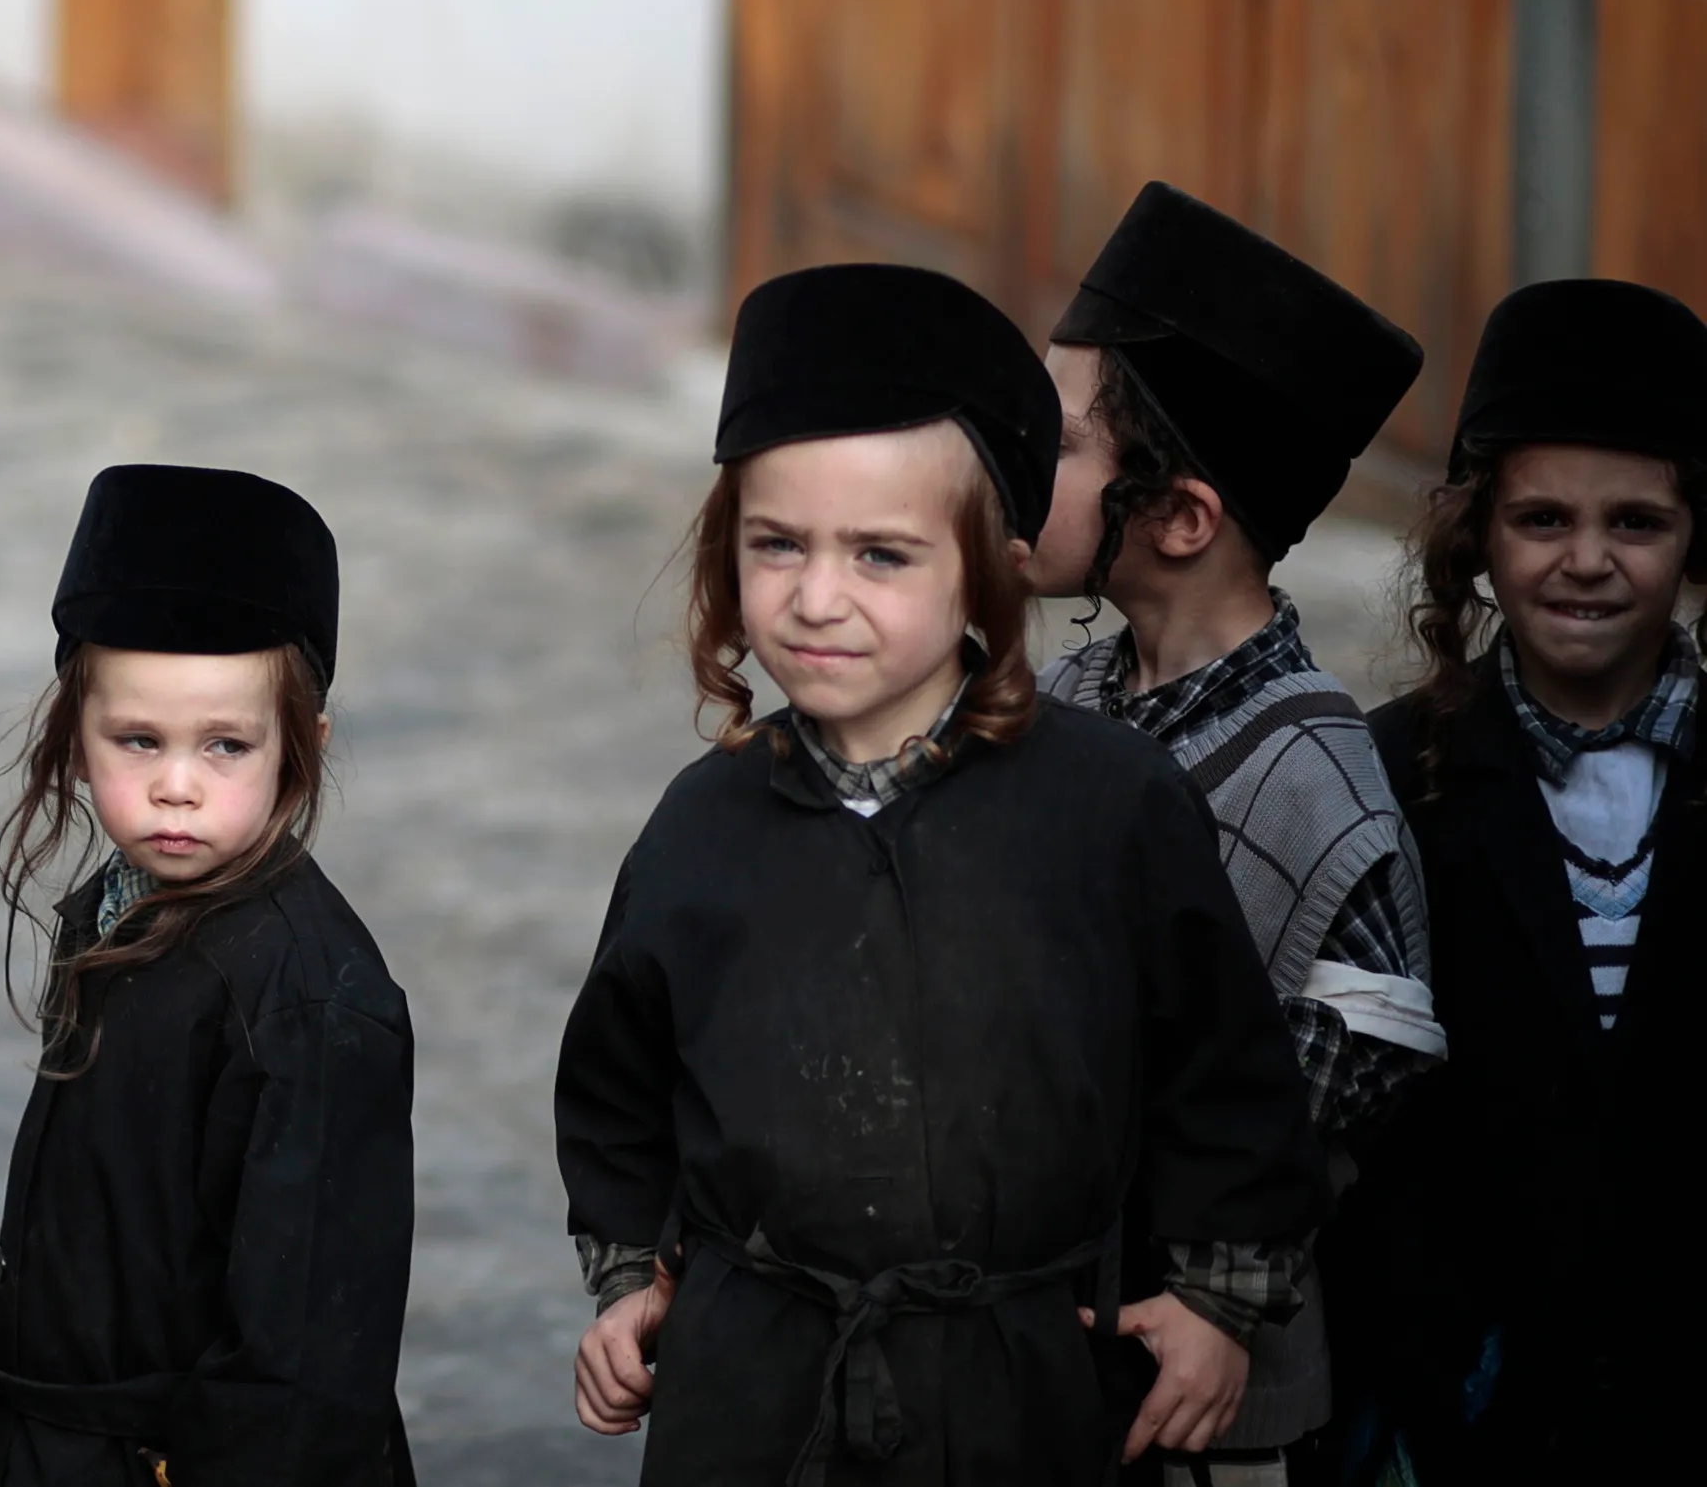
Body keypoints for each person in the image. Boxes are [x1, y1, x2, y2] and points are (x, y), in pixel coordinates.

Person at [556, 263, 1329, 1483]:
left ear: (988, 563)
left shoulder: (1109, 807)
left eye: (880, 555)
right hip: (752, 1395)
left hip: (1022, 1389)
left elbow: (1223, 1078)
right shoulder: (698, 828)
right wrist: (625, 1283)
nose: (817, 598)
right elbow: (615, 1092)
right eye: (777, 545)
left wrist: (1218, 1300)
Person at [1025, 181, 1442, 1478]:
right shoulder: (1065, 697)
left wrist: (1214, 1290)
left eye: (1055, 444)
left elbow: (1326, 1104)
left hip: (1206, 1396)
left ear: (1184, 517)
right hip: (1042, 1343)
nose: (1002, 462)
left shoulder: (1321, 782)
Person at [0, 463, 416, 1487]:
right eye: (136, 740)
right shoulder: (109, 907)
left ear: (299, 749)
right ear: (73, 734)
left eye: (225, 745)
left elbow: (306, 1367)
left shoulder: (307, 998)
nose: (176, 787)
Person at [1332, 280, 1707, 1481]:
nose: (1584, 562)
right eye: (1540, 520)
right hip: (1465, 1420)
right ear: (1476, 537)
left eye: (1634, 524)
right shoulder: (1390, 775)